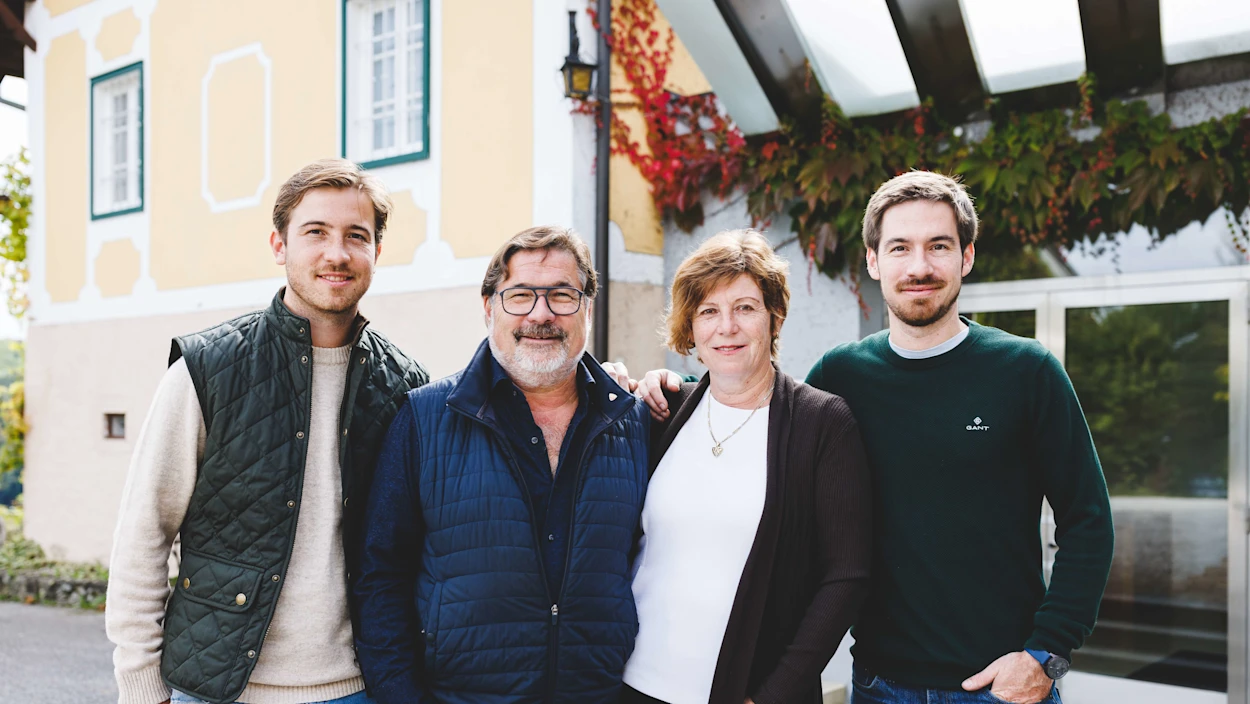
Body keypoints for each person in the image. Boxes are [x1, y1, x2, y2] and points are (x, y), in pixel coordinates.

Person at [631, 172, 1114, 704]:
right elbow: (758, 403)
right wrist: (675, 389)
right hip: (880, 684)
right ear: (873, 261)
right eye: (900, 247)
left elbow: (1088, 521)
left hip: (1000, 687)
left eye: (939, 247)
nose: (919, 266)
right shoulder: (843, 376)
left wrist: (1048, 654)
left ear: (967, 256)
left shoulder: (1026, 372)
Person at [105, 158, 430, 704]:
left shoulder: (404, 386)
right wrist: (140, 685)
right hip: (219, 690)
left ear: (377, 250)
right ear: (279, 245)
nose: (337, 253)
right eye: (315, 233)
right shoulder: (207, 369)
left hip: (359, 688)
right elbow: (144, 533)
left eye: (357, 235)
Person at [353, 226, 650, 703]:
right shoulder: (424, 418)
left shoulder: (633, 422)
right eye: (520, 295)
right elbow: (379, 580)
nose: (541, 314)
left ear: (588, 309)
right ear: (489, 306)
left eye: (562, 295)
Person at [616, 229, 871, 704]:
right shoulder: (663, 412)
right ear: (690, 327)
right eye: (708, 311)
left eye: (745, 308)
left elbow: (846, 575)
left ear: (774, 318)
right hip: (634, 684)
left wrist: (773, 693)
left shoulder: (822, 423)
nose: (726, 327)